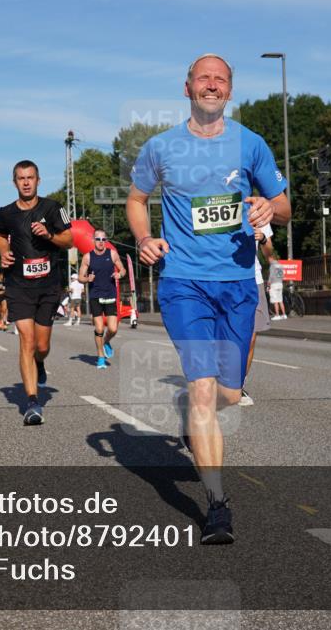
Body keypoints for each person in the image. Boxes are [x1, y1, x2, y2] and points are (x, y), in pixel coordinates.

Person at [125, 53, 291, 544]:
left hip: (238, 282)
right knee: (203, 387)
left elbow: (283, 205)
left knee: (229, 395)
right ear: (187, 88)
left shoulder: (251, 144)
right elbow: (137, 199)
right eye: (204, 78)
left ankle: (186, 403)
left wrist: (270, 206)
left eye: (220, 79)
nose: (212, 85)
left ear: (230, 90)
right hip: (184, 282)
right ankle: (217, 505)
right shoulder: (160, 147)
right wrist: (142, 238)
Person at [0, 160, 73, 425]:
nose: (26, 182)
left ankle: (40, 363)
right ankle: (31, 402)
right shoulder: (5, 212)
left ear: (38, 180)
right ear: (14, 182)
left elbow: (69, 240)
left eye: (30, 177)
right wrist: (4, 252)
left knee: (42, 345)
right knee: (26, 341)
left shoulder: (53, 208)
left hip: (48, 285)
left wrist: (49, 234)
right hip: (18, 285)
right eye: (20, 178)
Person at [79, 229, 125, 369]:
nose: (100, 242)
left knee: (113, 329)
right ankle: (100, 357)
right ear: (93, 240)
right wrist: (87, 279)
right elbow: (81, 278)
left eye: (103, 240)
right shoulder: (87, 257)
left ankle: (106, 341)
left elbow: (122, 270)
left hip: (110, 295)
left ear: (106, 241)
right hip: (96, 296)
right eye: (98, 239)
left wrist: (119, 275)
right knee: (99, 328)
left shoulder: (112, 254)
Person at [239, 225, 275, 406]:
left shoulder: (258, 213)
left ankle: (238, 386)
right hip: (223, 279)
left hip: (254, 279)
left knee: (251, 337)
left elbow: (269, 250)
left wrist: (262, 239)